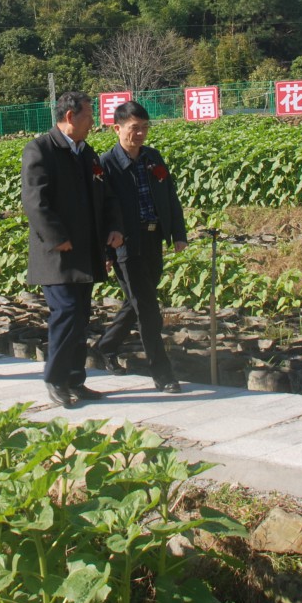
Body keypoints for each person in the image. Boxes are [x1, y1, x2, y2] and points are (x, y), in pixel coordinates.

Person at [21, 92, 123, 408]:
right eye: (89, 116)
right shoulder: (40, 149)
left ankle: (76, 379)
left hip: (86, 252)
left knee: (80, 317)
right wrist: (56, 237)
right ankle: (55, 379)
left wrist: (113, 228)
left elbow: (106, 197)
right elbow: (35, 201)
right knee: (65, 313)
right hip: (56, 256)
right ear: (70, 116)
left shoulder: (87, 154)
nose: (93, 122)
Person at [96, 101, 188, 393]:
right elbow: (100, 211)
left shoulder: (152, 157)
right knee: (148, 310)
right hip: (125, 245)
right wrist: (106, 251)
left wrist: (178, 233)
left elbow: (170, 196)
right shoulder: (106, 163)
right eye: (134, 128)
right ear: (117, 128)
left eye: (145, 128)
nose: (140, 134)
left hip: (153, 239)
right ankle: (163, 374)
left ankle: (106, 346)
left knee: (137, 302)